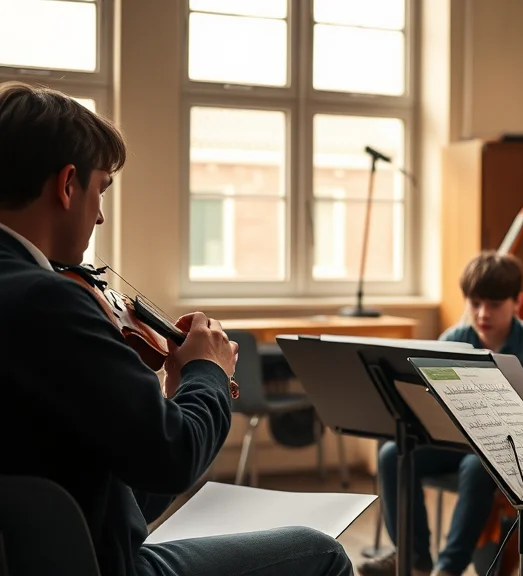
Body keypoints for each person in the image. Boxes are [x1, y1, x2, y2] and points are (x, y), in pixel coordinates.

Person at [0, 81, 352, 576]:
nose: (100, 216)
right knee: (322, 553)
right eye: (100, 189)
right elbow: (173, 456)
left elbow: (126, 463)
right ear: (67, 184)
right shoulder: (46, 300)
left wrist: (172, 392)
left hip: (38, 544)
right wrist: (206, 372)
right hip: (90, 563)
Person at [359, 251, 523, 576]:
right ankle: (414, 559)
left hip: (510, 452)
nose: (483, 313)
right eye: (475, 303)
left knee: (477, 465)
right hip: (458, 443)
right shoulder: (454, 339)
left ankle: (448, 568)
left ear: (517, 302)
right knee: (393, 452)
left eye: (494, 305)